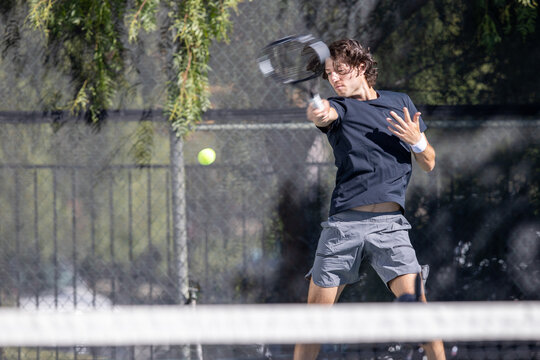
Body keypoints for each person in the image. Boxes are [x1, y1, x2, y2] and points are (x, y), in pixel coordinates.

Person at [293, 39, 446, 360]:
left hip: (390, 228)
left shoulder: (400, 102)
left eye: (341, 71)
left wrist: (417, 141)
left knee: (419, 310)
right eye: (329, 74)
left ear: (361, 67)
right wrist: (318, 112)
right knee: (314, 320)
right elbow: (324, 115)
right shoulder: (340, 108)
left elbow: (430, 162)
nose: (334, 78)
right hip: (343, 228)